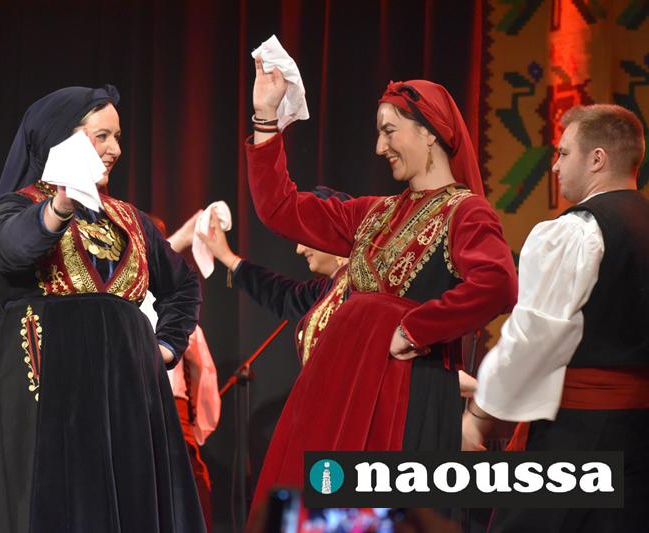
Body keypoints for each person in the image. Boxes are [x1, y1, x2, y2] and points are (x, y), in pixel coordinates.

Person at [246, 56, 519, 515]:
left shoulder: (466, 212)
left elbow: (498, 285)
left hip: (405, 391)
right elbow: (280, 209)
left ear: (429, 131)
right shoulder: (373, 213)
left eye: (389, 131)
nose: (379, 146)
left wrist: (415, 328)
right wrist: (265, 116)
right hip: (347, 385)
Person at [0, 86, 205, 532]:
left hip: (123, 402)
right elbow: (11, 252)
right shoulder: (17, 206)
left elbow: (184, 286)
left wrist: (164, 348)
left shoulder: (130, 219)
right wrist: (59, 206)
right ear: (62, 140)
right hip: (45, 396)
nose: (115, 149)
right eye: (102, 136)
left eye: (117, 137)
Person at [463, 104, 649, 531]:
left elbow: (534, 338)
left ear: (597, 158)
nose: (555, 166)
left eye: (563, 153)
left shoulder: (579, 230)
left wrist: (479, 416)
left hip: (578, 436)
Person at [196, 186, 351, 364]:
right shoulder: (326, 289)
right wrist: (227, 257)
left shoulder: (365, 288)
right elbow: (283, 294)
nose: (299, 249)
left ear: (333, 232)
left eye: (306, 238)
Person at [141, 213, 221, 532]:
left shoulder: (175, 314)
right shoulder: (124, 299)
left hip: (170, 410)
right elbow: (204, 375)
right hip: (150, 408)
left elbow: (202, 373)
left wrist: (195, 426)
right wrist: (199, 426)